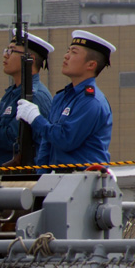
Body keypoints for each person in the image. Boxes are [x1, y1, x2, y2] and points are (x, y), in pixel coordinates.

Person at [18, 30, 114, 168]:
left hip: (85, 180)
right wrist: (41, 177)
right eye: (68, 51)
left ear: (91, 65)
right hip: (59, 179)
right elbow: (47, 143)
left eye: (74, 52)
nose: (66, 56)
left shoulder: (91, 101)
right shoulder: (61, 97)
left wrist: (36, 119)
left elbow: (66, 140)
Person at [0, 30, 54, 167]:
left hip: (19, 177)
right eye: (6, 50)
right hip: (0, 174)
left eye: (12, 51)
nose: (5, 55)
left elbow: (11, 139)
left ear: (30, 59)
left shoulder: (35, 95)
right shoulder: (11, 93)